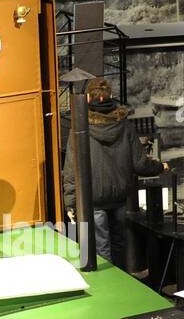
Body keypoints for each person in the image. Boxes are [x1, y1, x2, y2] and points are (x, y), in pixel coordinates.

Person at [62, 78, 165, 265]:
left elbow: (71, 170)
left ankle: (110, 285)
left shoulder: (80, 129)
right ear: (110, 97)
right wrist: (160, 167)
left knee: (101, 248)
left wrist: (70, 203)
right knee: (119, 245)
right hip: (119, 197)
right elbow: (140, 164)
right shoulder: (125, 126)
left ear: (87, 99)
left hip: (93, 200)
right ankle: (124, 282)